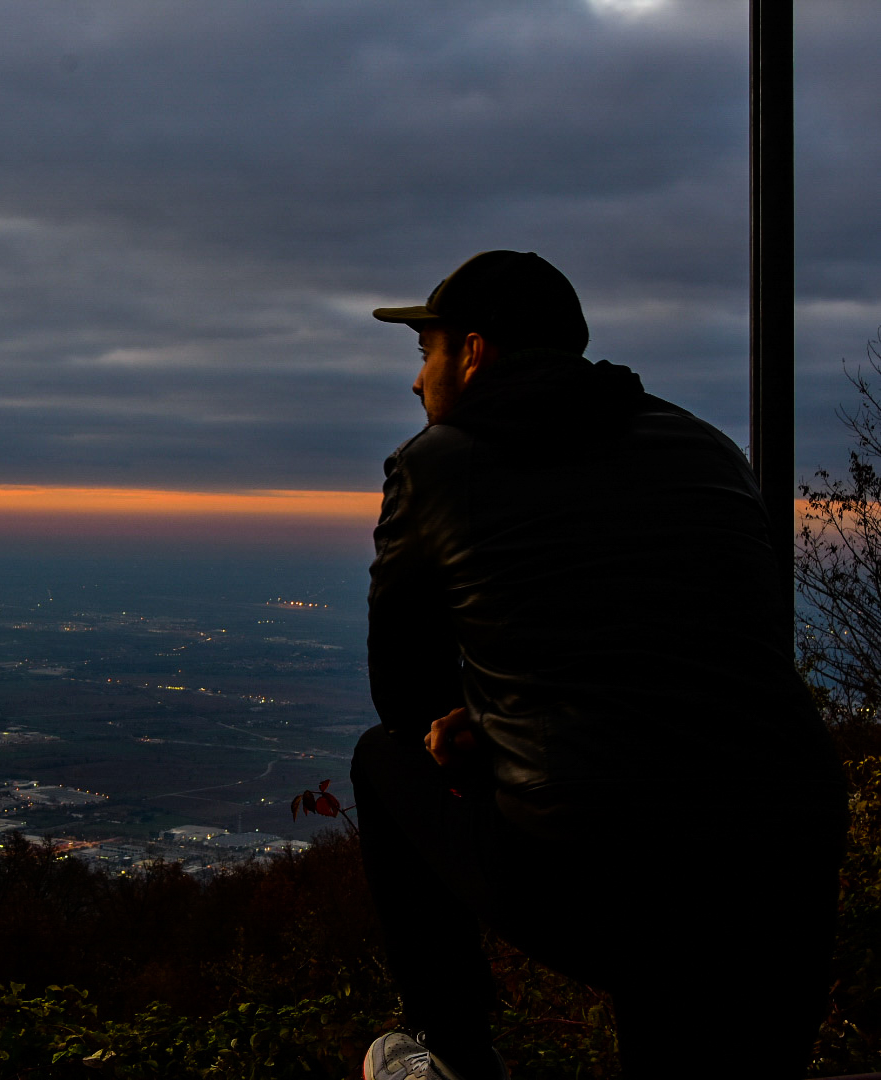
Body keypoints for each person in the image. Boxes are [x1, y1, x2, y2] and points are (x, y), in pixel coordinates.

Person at [352, 251, 848, 1080]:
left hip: (604, 874)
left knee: (381, 761)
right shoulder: (708, 448)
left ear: (472, 352)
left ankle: (452, 1055)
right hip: (787, 857)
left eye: (423, 354)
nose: (415, 384)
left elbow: (404, 698)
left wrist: (476, 726)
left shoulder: (435, 465)